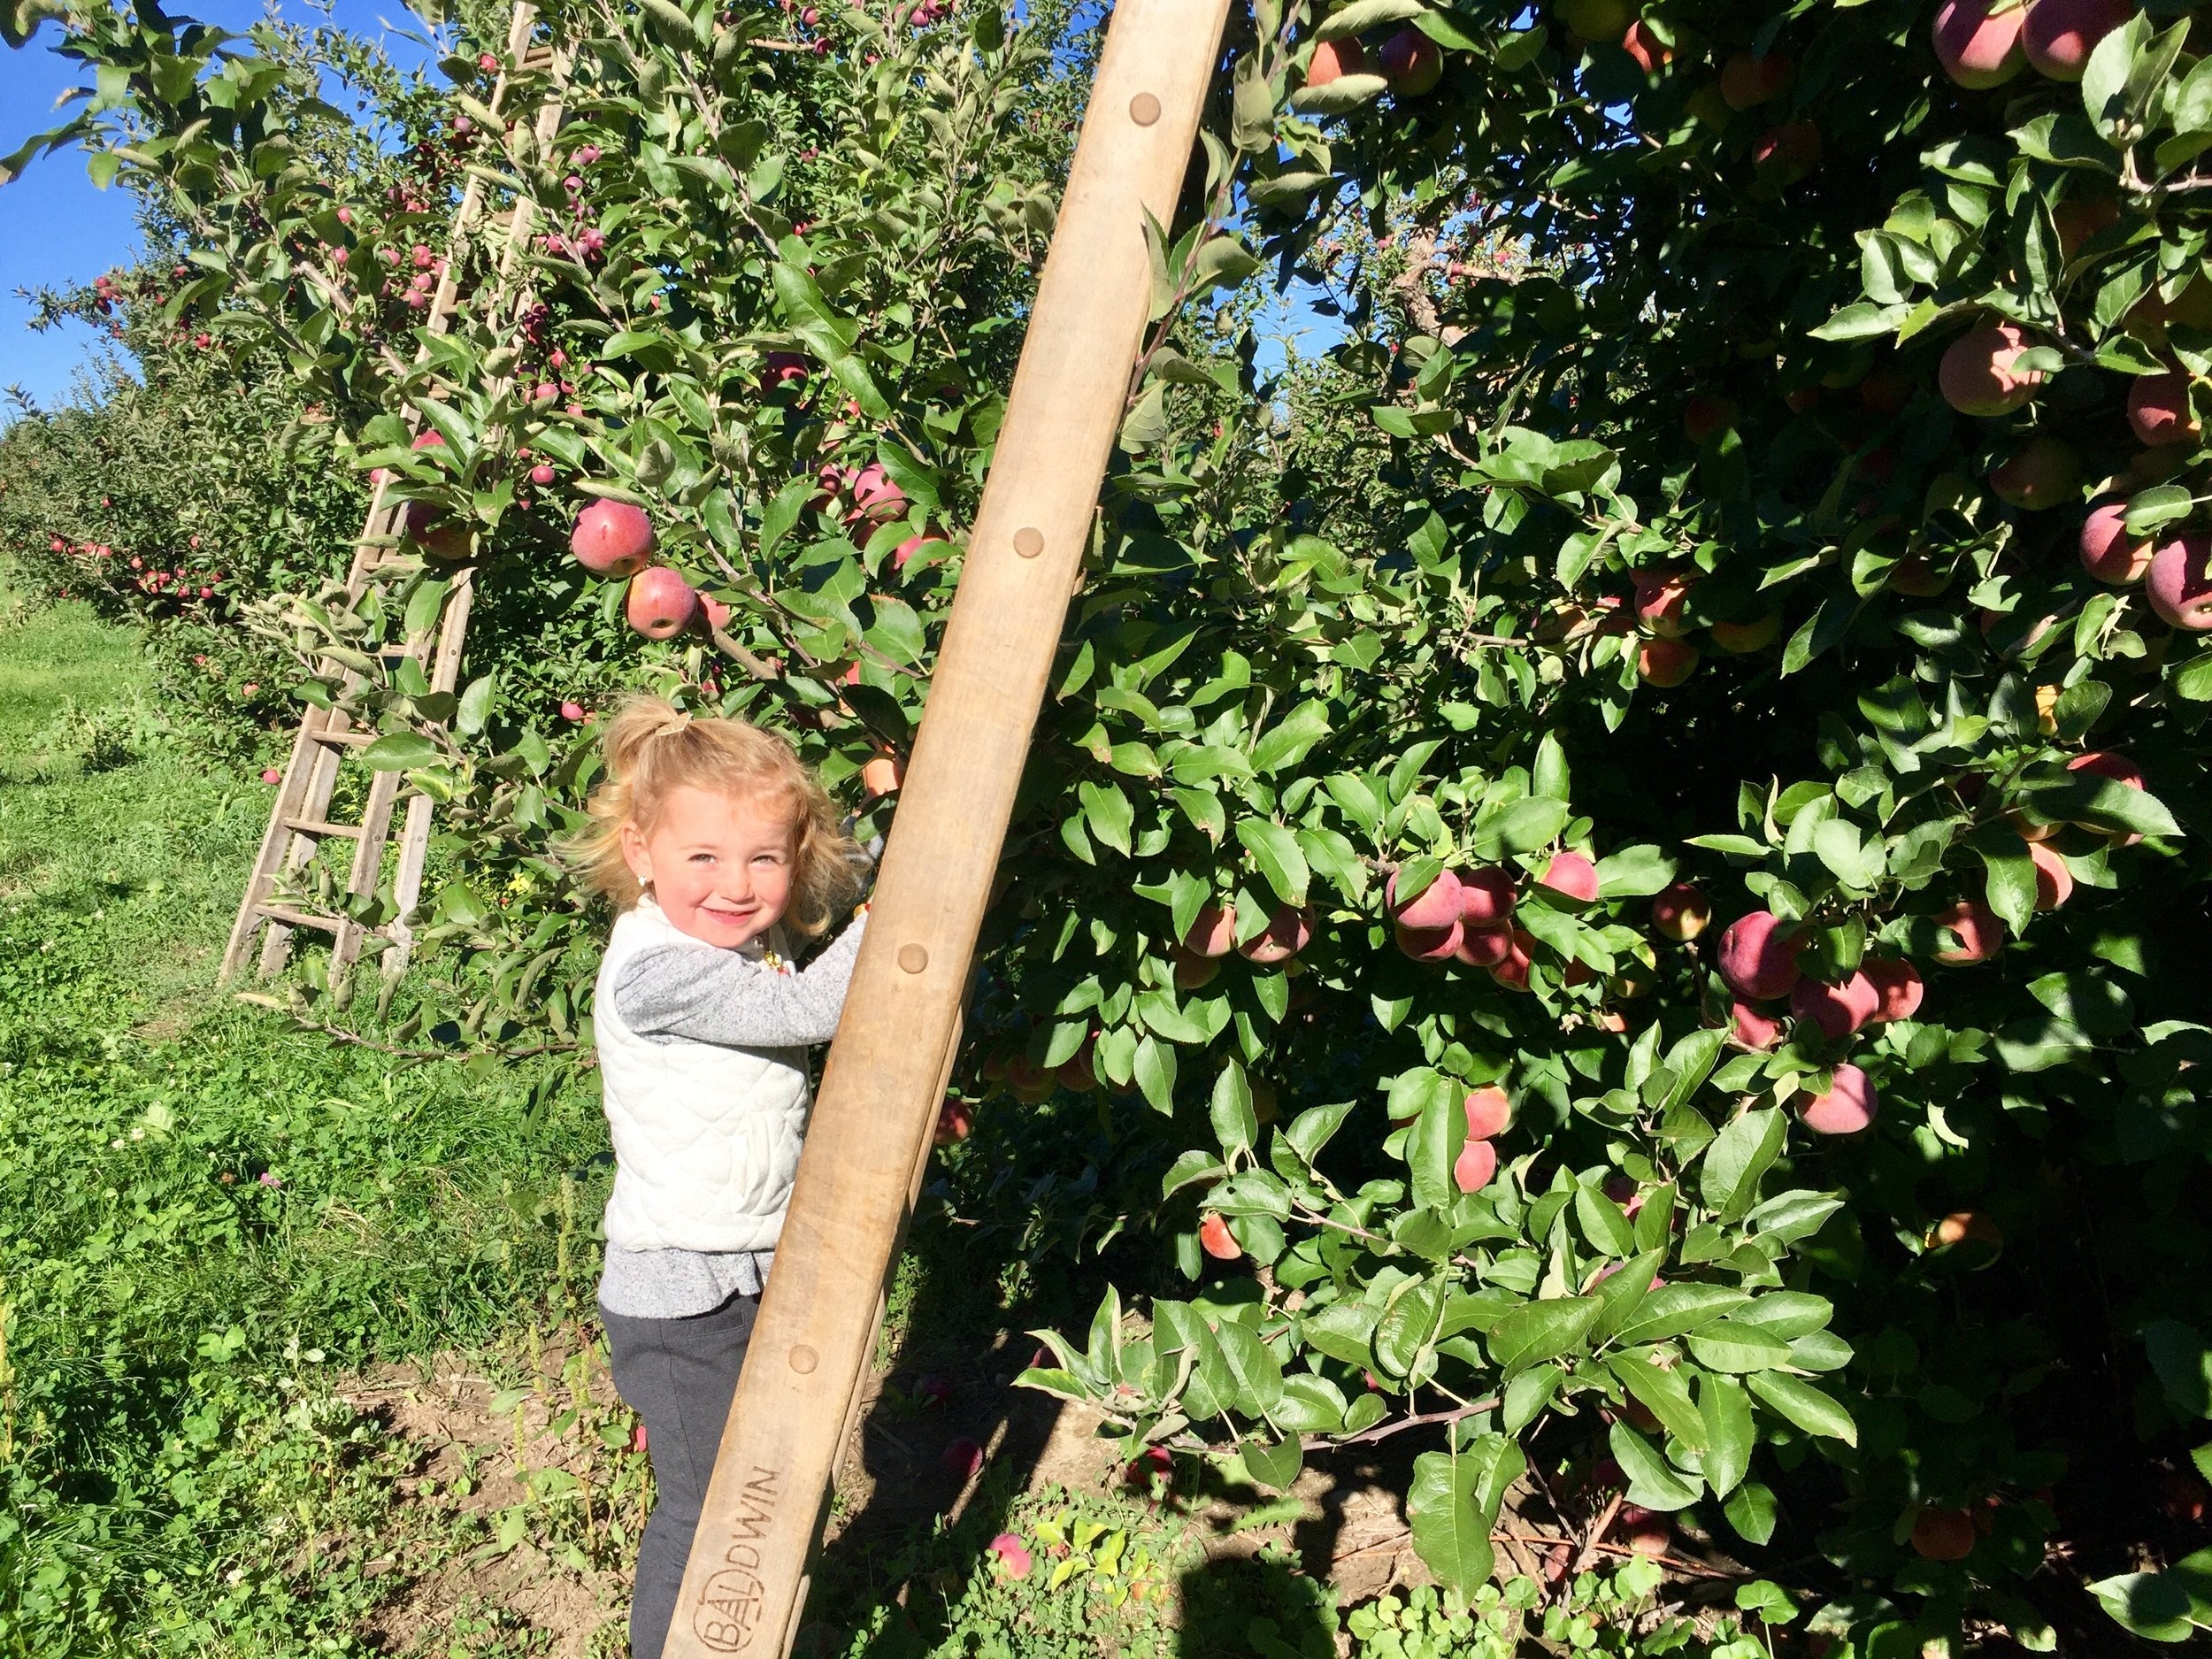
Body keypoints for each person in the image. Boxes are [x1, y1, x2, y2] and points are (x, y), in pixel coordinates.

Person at [563, 695, 871, 1659]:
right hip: (680, 1302)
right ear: (641, 854)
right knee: (707, 1510)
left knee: (775, 1481)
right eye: (703, 857)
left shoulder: (735, 937)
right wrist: (918, 889)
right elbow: (819, 1008)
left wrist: (889, 813)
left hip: (744, 1275)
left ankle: (752, 1634)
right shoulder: (660, 971)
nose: (736, 885)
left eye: (764, 859)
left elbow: (843, 861)